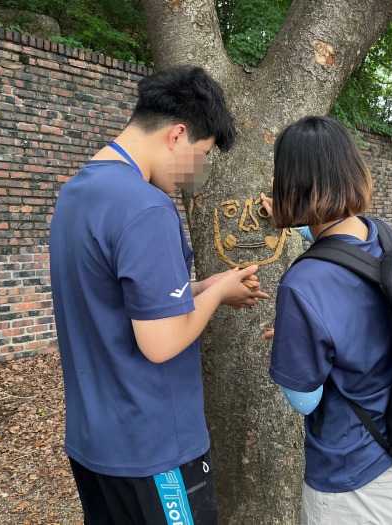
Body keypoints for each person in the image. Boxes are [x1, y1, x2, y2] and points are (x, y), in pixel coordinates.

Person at [49, 65, 269, 525]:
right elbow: (160, 341)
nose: (198, 172)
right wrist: (217, 294)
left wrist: (203, 288)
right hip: (153, 448)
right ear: (177, 135)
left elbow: (116, 298)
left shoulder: (77, 194)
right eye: (202, 155)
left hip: (94, 442)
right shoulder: (145, 207)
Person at [260, 115, 392, 524]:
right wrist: (301, 224)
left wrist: (291, 341)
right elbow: (342, 247)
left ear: (290, 182)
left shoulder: (303, 284)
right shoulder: (382, 235)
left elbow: (303, 397)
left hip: (358, 488)